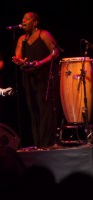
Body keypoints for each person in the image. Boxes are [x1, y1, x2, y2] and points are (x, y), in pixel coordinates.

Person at [11, 12, 61, 149]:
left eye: (27, 18)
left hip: (45, 76)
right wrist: (19, 61)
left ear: (35, 22)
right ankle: (39, 143)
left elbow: (55, 52)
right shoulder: (21, 38)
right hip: (29, 77)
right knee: (33, 110)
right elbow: (18, 56)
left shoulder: (43, 34)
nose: (23, 20)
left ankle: (48, 142)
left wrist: (41, 63)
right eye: (23, 18)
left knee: (46, 109)